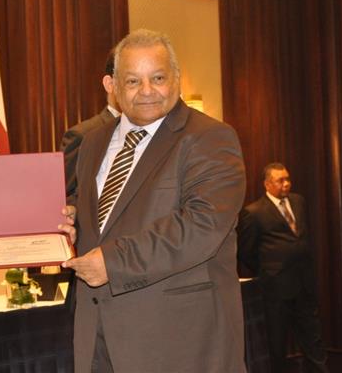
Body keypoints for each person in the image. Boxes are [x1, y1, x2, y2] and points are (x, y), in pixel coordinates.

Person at [63, 29, 247, 372]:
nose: (147, 90)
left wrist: (113, 262)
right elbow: (104, 214)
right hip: (98, 337)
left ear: (176, 78)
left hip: (179, 343)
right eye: (133, 81)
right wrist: (70, 221)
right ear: (112, 86)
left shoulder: (210, 138)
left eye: (158, 78)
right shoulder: (93, 142)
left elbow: (202, 225)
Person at [237, 163, 327, 372]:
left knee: (313, 342)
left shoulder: (299, 201)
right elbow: (245, 251)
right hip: (276, 291)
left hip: (304, 285)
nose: (286, 183)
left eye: (287, 179)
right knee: (277, 345)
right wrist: (268, 271)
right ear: (267, 184)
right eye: (280, 180)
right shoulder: (253, 212)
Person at [61, 50, 120, 199]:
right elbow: (67, 197)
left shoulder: (156, 132)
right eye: (132, 80)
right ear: (110, 83)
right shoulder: (83, 136)